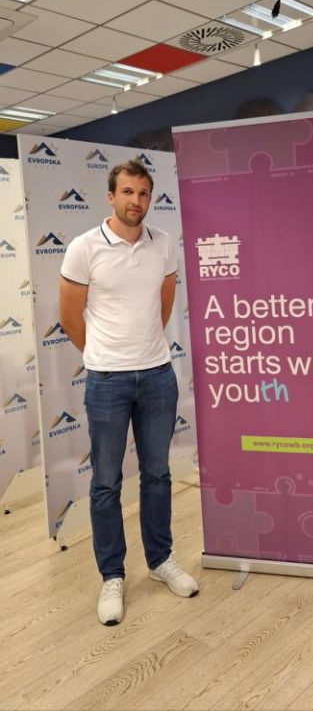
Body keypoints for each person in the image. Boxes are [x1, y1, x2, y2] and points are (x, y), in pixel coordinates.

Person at [59, 158, 198, 626]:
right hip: (107, 381)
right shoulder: (84, 248)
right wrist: (105, 355)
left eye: (143, 193)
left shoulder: (164, 244)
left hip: (158, 375)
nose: (135, 201)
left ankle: (160, 560)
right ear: (111, 196)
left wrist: (142, 349)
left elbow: (164, 304)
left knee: (157, 474)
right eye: (127, 192)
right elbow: (70, 319)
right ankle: (112, 576)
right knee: (105, 482)